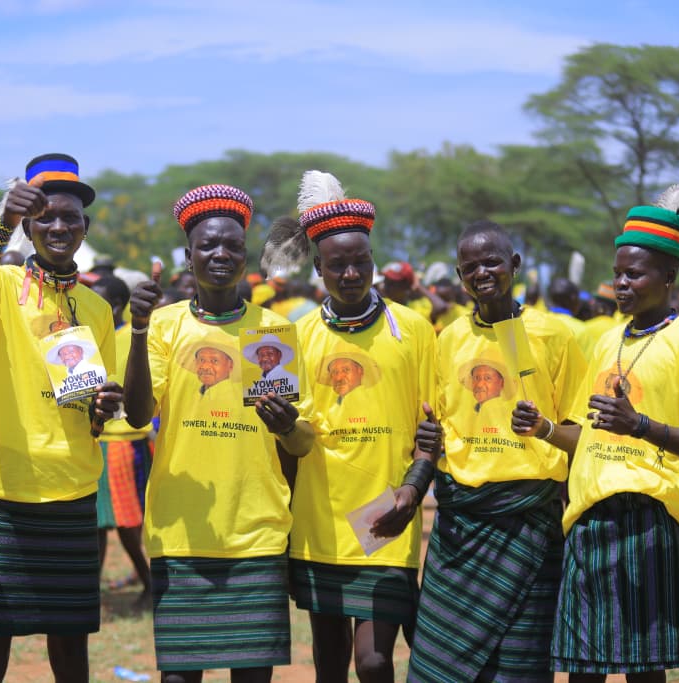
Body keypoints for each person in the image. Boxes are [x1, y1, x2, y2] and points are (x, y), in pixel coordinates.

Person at [514, 184, 679, 680]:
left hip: (650, 520)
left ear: (669, 276)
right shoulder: (608, 338)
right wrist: (545, 428)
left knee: (643, 668)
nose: (621, 284)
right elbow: (591, 437)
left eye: (634, 274)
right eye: (616, 275)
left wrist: (642, 426)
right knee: (582, 667)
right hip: (587, 517)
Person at [124, 183, 315, 683]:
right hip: (182, 528)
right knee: (179, 677)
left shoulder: (273, 332)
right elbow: (140, 415)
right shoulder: (165, 326)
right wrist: (139, 330)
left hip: (256, 528)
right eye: (208, 245)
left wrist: (288, 425)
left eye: (232, 245)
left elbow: (301, 443)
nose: (220, 254)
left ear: (246, 257)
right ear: (188, 257)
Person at [263, 170, 440, 683]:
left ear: (373, 262)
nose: (350, 273)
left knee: (374, 660)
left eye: (360, 261)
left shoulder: (412, 331)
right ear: (318, 267)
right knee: (329, 662)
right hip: (318, 523)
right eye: (337, 264)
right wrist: (284, 427)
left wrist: (414, 489)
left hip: (387, 518)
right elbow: (290, 443)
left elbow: (432, 428)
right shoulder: (294, 337)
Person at [0, 153, 121, 683]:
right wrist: (0, 230)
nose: (58, 226)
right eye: (45, 216)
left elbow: (95, 403)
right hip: (3, 487)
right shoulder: (2, 284)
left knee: (71, 646)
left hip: (71, 488)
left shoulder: (96, 308)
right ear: (28, 225)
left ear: (84, 228)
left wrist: (103, 408)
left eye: (69, 217)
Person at [408, 220, 586, 683]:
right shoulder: (447, 339)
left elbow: (581, 432)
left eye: (492, 262)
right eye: (470, 267)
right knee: (443, 664)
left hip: (529, 518)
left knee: (520, 665)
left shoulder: (555, 335)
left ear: (515, 265)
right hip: (462, 524)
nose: (482, 273)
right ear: (460, 275)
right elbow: (435, 426)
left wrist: (545, 430)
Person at [90, 275, 153, 609]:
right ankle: (92, 589)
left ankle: (149, 580)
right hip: (97, 438)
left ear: (114, 306)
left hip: (122, 440)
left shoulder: (131, 336)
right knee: (97, 523)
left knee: (127, 522)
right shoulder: (90, 337)